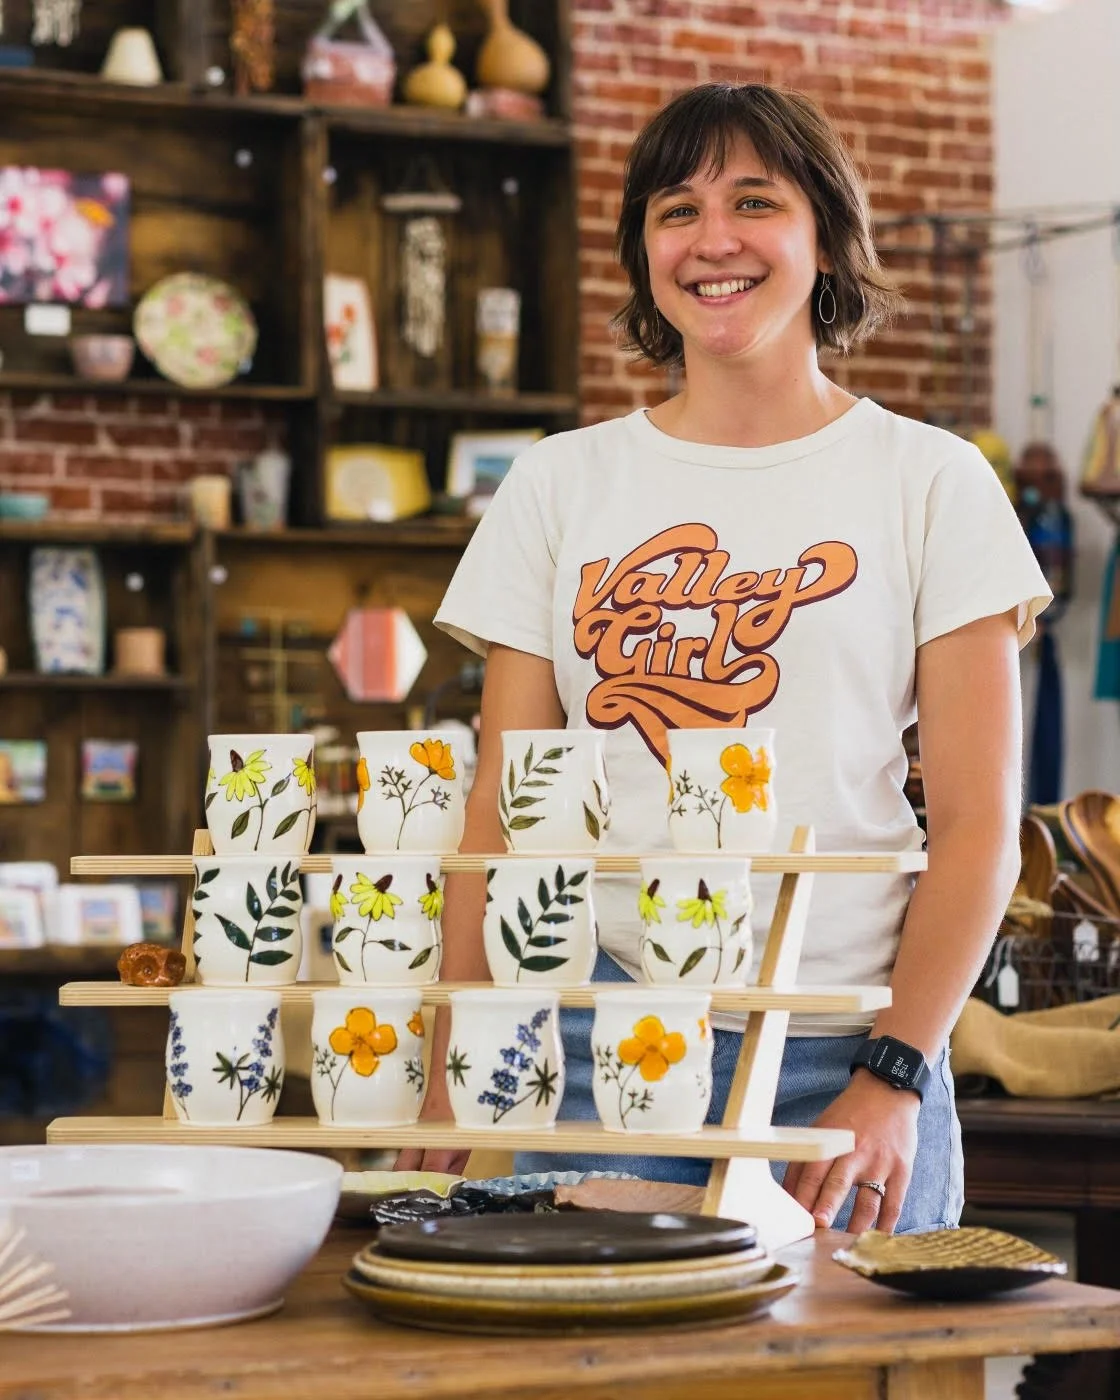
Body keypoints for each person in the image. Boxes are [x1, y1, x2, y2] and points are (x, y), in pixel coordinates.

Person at [397, 82, 1051, 1235]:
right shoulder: (559, 485)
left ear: (822, 238)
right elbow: (502, 810)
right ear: (643, 249)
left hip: (846, 1051)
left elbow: (977, 829)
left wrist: (893, 1071)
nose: (712, 241)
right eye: (674, 209)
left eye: (755, 200)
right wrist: (459, 1044)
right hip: (601, 1051)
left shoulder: (930, 481)